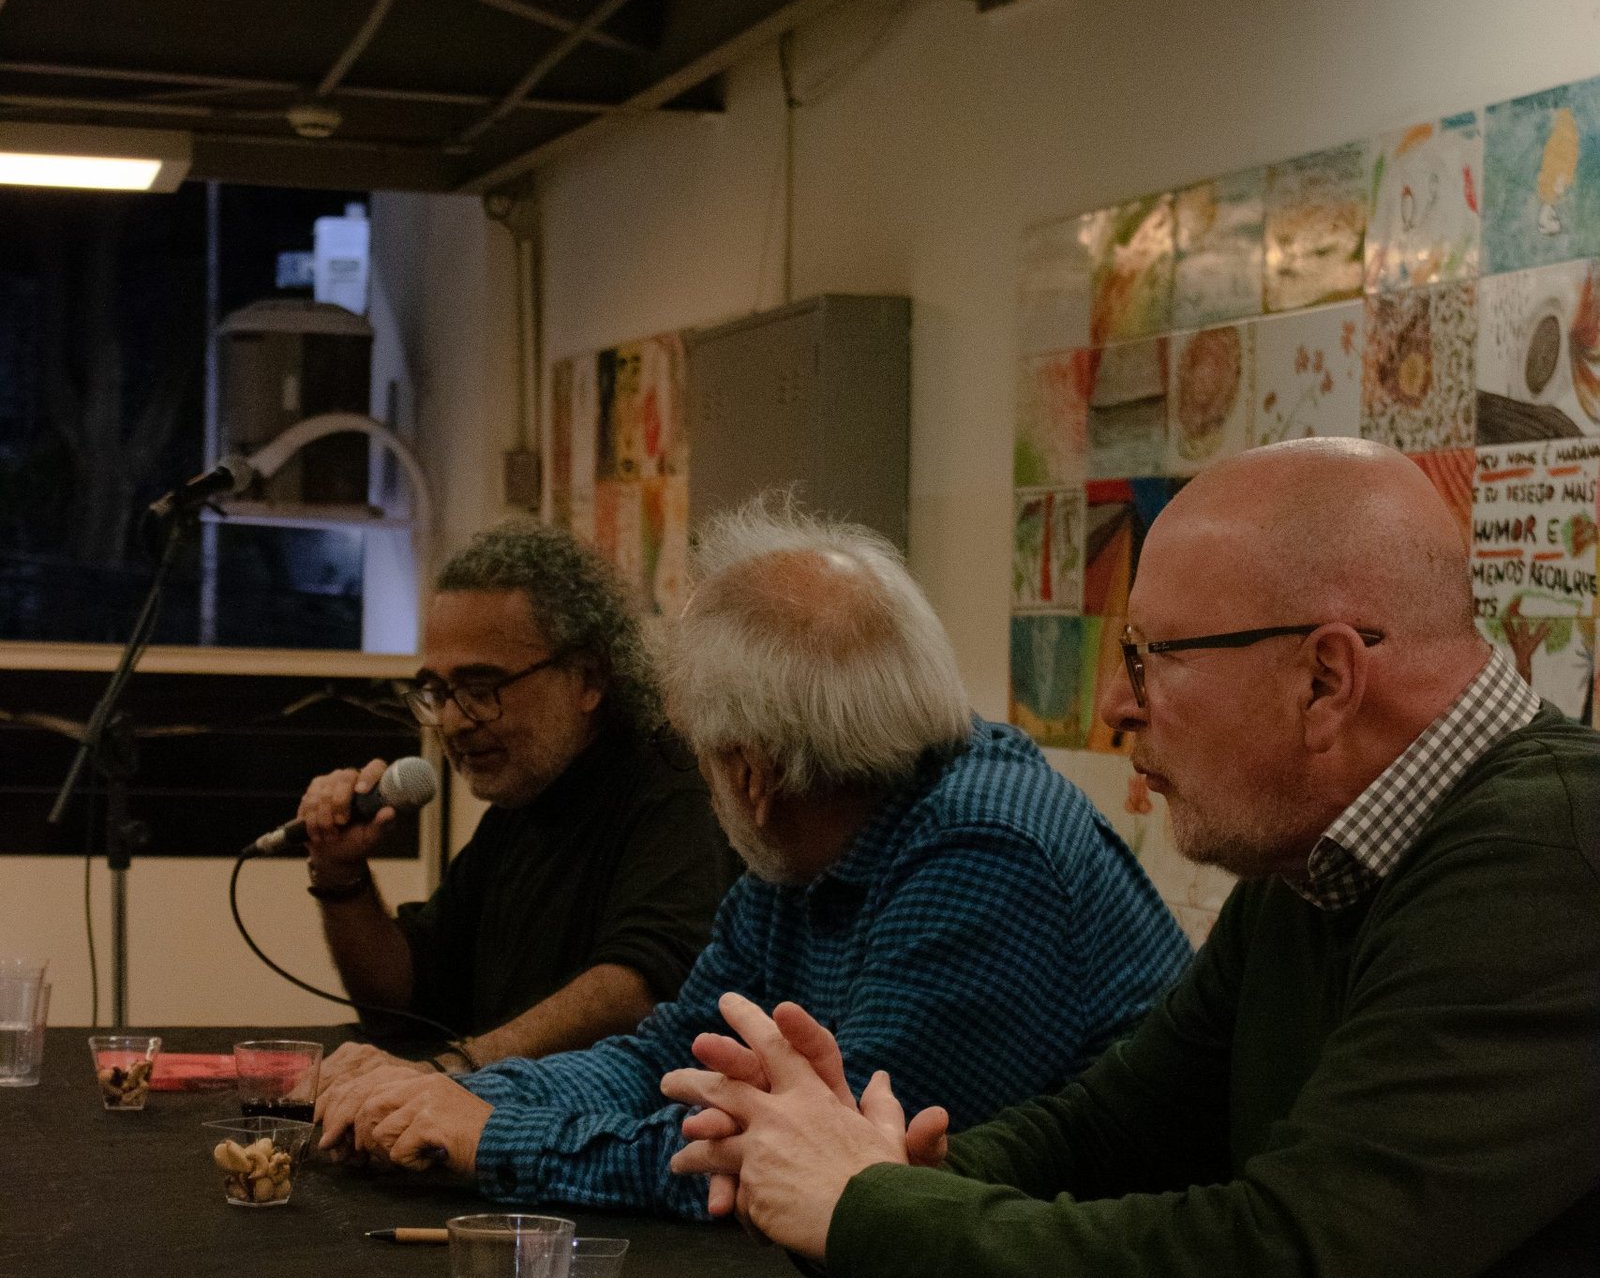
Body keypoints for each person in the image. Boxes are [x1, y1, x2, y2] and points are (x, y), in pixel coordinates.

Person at [665, 441, 1600, 1278]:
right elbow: (1109, 1129)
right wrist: (882, 1167)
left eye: (1152, 659)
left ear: (1327, 675)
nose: (1114, 710)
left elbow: (1282, 1276)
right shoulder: (1328, 853)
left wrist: (868, 1211)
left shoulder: (1545, 864)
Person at [315, 500, 1192, 1211]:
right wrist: (459, 1098)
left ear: (755, 772)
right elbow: (667, 1054)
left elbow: (812, 1171)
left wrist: (488, 1135)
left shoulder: (986, 860)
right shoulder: (813, 840)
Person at [297, 522, 733, 1071]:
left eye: (482, 690)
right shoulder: (523, 805)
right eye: (437, 691)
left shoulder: (675, 787)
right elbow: (402, 996)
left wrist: (455, 1068)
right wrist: (341, 874)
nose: (453, 721)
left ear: (587, 680)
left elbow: (640, 988)